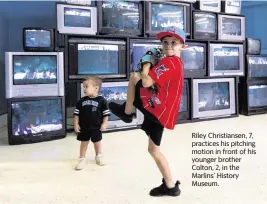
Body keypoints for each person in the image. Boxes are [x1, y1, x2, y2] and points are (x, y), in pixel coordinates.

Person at [109, 26, 185, 197]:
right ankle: (171, 186)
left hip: (158, 111)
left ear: (182, 46)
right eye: (165, 42)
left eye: (174, 42)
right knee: (153, 150)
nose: (168, 46)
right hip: (162, 110)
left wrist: (146, 64)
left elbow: (145, 82)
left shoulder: (169, 63)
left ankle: (127, 112)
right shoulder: (175, 62)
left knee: (135, 77)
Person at [74, 76, 110, 170]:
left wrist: (104, 123)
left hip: (96, 127)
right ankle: (82, 158)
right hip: (84, 127)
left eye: (86, 86)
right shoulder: (81, 101)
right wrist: (76, 124)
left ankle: (99, 156)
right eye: (83, 87)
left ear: (96, 88)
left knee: (97, 142)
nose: (84, 89)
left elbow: (106, 114)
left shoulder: (102, 101)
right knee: (84, 143)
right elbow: (76, 114)